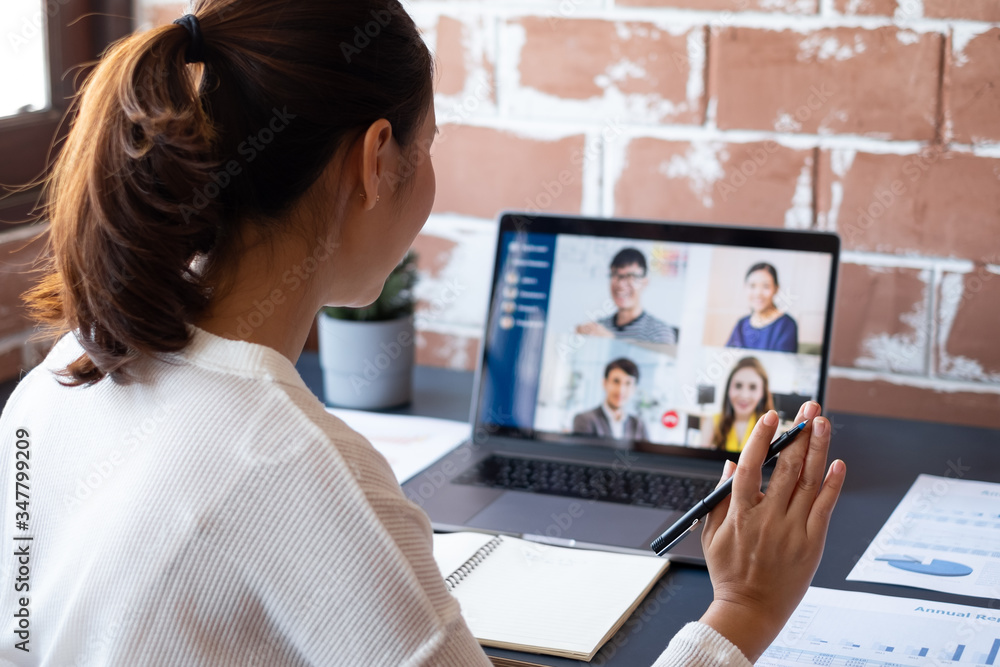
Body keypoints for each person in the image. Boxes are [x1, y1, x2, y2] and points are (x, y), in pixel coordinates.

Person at [0, 1, 846, 664]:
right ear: (376, 159)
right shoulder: (294, 470)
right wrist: (743, 611)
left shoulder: (58, 380)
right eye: (429, 141)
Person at [576, 247, 679, 345]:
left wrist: (610, 342)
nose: (621, 284)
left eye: (630, 276)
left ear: (644, 282)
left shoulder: (659, 332)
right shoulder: (599, 328)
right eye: (615, 275)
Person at [701, 357, 775, 452]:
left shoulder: (769, 426)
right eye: (738, 385)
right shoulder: (712, 422)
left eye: (753, 387)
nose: (744, 395)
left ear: (762, 393)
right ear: (729, 389)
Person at [572, 357, 649, 443]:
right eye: (616, 381)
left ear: (634, 388)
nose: (621, 390)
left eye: (628, 383)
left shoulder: (639, 426)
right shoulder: (585, 420)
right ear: (605, 383)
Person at [726, 262, 798, 352]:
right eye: (752, 286)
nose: (758, 293)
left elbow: (782, 364)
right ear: (745, 287)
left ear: (776, 288)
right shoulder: (742, 324)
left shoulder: (786, 325)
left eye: (766, 286)